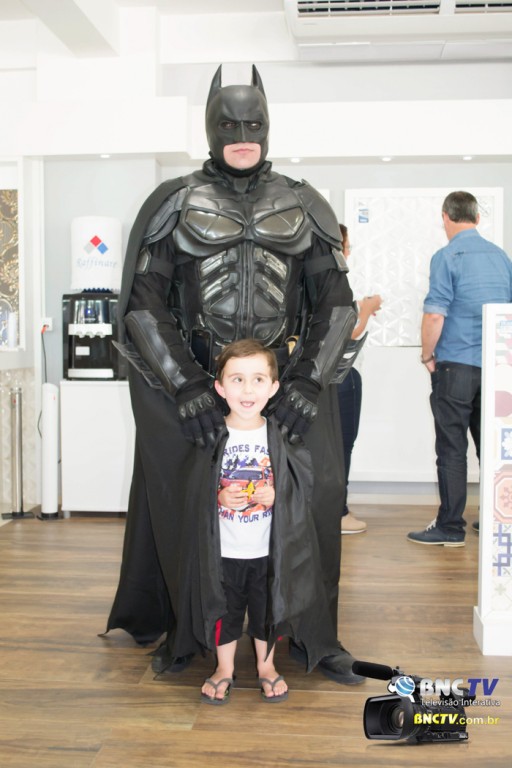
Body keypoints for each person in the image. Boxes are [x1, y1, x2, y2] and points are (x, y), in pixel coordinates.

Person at [105, 64, 364, 685]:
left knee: (309, 502)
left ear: (268, 127)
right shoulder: (175, 202)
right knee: (194, 507)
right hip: (202, 387)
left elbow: (336, 303)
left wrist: (306, 381)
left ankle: (309, 636)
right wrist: (189, 386)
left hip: (282, 385)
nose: (243, 136)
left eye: (254, 124)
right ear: (209, 128)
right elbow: (144, 304)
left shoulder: (304, 202)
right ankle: (193, 633)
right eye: (229, 125)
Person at [201, 339, 334, 704]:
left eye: (258, 380)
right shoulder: (212, 436)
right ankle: (224, 668)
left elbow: (303, 486)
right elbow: (194, 488)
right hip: (225, 550)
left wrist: (278, 495)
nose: (248, 390)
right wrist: (218, 496)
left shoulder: (282, 436)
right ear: (220, 387)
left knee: (266, 612)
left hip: (267, 549)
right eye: (237, 380)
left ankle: (266, 666)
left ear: (274, 387)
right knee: (224, 611)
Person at [408, 190, 512, 546]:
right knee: (493, 449)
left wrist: (427, 355)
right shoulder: (501, 257)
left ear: (445, 217)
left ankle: (451, 527)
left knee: (452, 448)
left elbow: (435, 314)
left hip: (456, 368)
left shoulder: (447, 256)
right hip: (497, 369)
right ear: (477, 218)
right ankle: (498, 519)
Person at [337, 224, 382, 534]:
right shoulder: (337, 282)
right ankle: (339, 513)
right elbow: (348, 333)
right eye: (347, 246)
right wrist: (366, 309)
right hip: (343, 374)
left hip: (319, 377)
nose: (349, 252)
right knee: (343, 445)